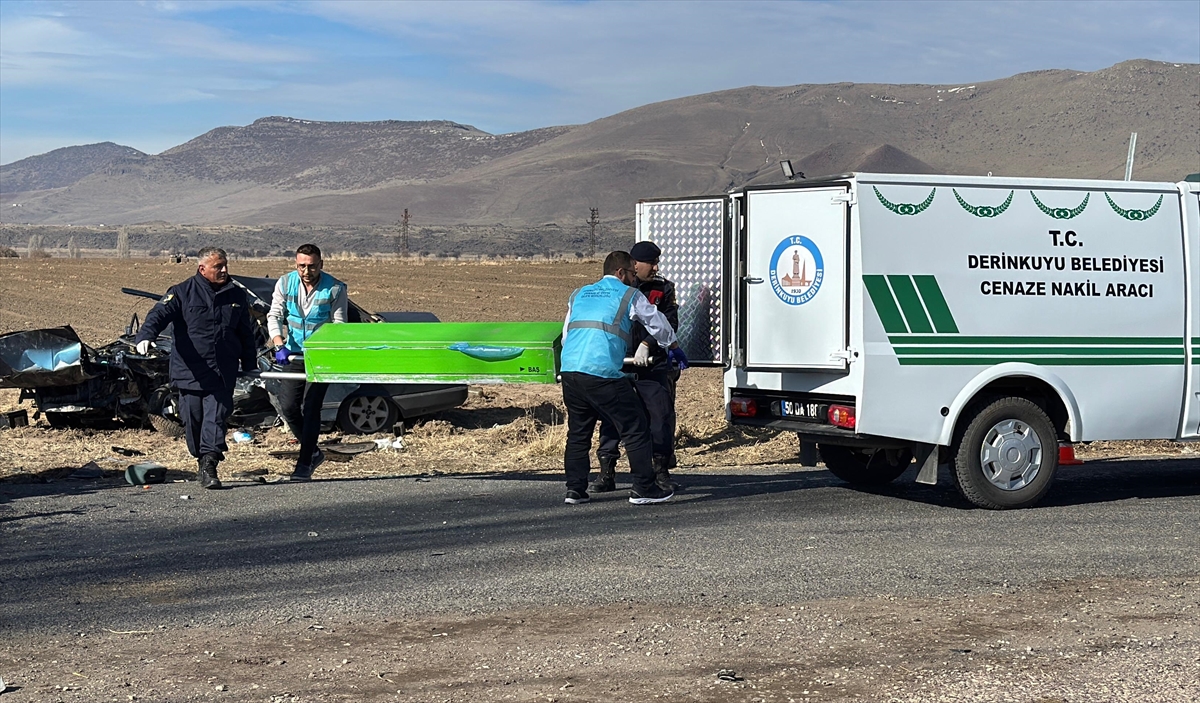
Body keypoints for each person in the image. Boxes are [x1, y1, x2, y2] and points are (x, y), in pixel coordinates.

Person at [560, 251, 689, 506]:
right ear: (621, 273)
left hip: (571, 372)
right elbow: (658, 323)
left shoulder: (579, 294)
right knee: (636, 427)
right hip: (603, 372)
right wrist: (672, 346)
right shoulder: (628, 294)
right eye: (631, 273)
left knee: (578, 432)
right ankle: (643, 488)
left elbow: (566, 335)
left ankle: (575, 490)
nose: (633, 278)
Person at [134, 247, 257, 489]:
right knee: (194, 420)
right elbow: (158, 315)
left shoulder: (236, 295)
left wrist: (250, 363)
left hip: (222, 371)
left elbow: (247, 332)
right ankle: (201, 459)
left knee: (216, 418)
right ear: (202, 269)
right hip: (190, 371)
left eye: (225, 265)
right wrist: (145, 336)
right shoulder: (181, 293)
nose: (224, 270)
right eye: (217, 267)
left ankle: (210, 463)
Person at [592, 240, 681, 494]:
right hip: (620, 363)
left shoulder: (663, 289)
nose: (655, 267)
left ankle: (660, 471)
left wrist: (648, 343)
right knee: (612, 419)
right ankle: (606, 471)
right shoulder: (619, 289)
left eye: (656, 263)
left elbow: (668, 321)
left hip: (652, 365)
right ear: (634, 264)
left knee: (659, 418)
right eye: (650, 263)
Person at [267, 243, 348, 481]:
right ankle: (312, 451)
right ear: (296, 264)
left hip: (319, 355)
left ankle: (304, 464)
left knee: (312, 407)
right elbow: (274, 314)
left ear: (320, 264)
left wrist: (328, 350)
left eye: (311, 266)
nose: (306, 271)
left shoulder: (335, 288)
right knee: (288, 406)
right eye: (301, 265)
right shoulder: (285, 283)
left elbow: (339, 324)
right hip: (292, 353)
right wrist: (278, 343)